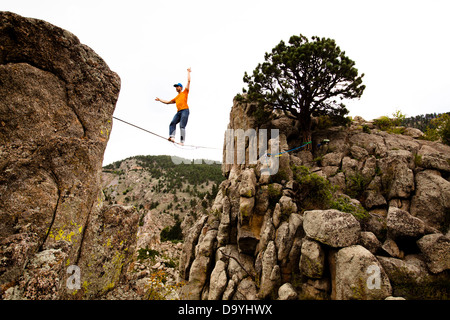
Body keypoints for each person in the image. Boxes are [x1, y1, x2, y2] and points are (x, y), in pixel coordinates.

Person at [155, 68, 191, 146]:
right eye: (176, 87)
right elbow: (167, 102)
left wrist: (188, 72)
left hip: (185, 110)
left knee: (182, 125)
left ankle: (182, 141)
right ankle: (172, 137)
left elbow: (188, 81)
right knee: (172, 123)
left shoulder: (185, 92)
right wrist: (160, 100)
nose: (176, 88)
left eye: (177, 86)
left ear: (181, 87)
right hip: (179, 112)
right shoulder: (176, 98)